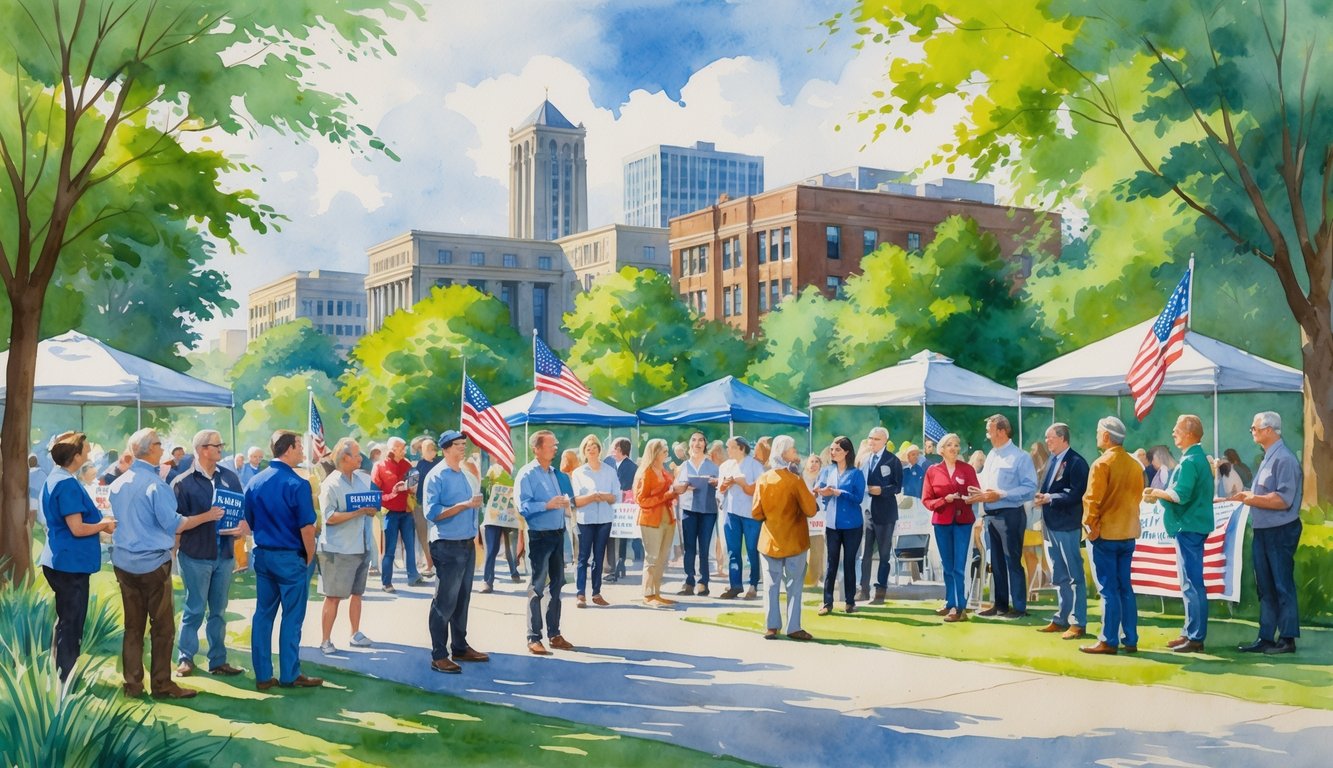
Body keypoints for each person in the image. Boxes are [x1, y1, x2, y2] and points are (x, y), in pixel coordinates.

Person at [110, 428, 222, 699]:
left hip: (124, 563)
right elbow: (175, 523)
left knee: (133, 627)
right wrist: (207, 516)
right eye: (160, 444)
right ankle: (161, 684)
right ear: (150, 449)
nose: (163, 448)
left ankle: (133, 685)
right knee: (162, 628)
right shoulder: (155, 485)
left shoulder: (118, 483)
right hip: (152, 564)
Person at [244, 429, 323, 689]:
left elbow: (251, 522)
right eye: (299, 446)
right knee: (292, 617)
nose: (302, 451)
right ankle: (290, 673)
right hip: (290, 557)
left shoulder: (255, 482)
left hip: (264, 555)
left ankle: (263, 675)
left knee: (263, 615)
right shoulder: (297, 483)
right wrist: (309, 557)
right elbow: (307, 528)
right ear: (288, 449)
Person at [39, 431, 116, 681]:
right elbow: (77, 528)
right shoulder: (67, 484)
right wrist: (103, 525)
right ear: (75, 455)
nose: (89, 453)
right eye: (85, 449)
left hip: (59, 559)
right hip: (69, 564)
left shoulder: (56, 478)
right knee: (71, 624)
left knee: (65, 621)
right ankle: (65, 679)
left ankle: (60, 673)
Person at [172, 430, 248, 678]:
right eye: (217, 445)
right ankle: (186, 658)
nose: (221, 449)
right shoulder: (182, 482)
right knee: (194, 609)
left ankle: (218, 660)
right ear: (203, 448)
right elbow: (175, 523)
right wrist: (206, 517)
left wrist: (241, 529)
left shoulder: (230, 477)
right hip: (194, 556)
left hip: (224, 555)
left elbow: (242, 513)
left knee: (218, 611)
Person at [1232, 411, 1303, 655]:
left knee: (1282, 585)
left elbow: (1283, 499)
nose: (1252, 430)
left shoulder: (1284, 459)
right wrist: (1249, 496)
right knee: (1265, 586)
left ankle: (1287, 638)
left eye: (1255, 427)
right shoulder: (1268, 458)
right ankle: (1266, 636)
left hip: (1280, 530)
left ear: (1269, 430)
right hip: (1265, 530)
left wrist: (1252, 498)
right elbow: (1265, 495)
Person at [1143, 415, 1213, 653]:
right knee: (1190, 583)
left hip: (1189, 527)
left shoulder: (1190, 461)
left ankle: (1195, 637)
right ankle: (1189, 632)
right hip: (1192, 526)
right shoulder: (1196, 458)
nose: (1173, 433)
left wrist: (1155, 492)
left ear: (1190, 433)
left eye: (1177, 430)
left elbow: (1179, 496)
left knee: (1192, 584)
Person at [422, 430, 491, 672]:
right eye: (458, 444)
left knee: (462, 599)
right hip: (447, 544)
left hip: (466, 543)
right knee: (444, 601)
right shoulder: (436, 476)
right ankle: (439, 654)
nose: (463, 447)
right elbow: (432, 513)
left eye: (463, 444)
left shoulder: (464, 473)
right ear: (446, 448)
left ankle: (460, 647)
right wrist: (464, 505)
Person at [1079, 417, 1144, 655]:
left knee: (1108, 590)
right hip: (1127, 534)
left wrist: (1090, 527)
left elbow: (1092, 502)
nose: (1097, 436)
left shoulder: (1101, 464)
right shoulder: (1135, 464)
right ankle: (1130, 637)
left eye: (1099, 433)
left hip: (1104, 534)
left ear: (1106, 436)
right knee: (1125, 588)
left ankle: (1108, 639)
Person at [514, 430, 577, 655]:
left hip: (558, 533)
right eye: (551, 444)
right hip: (539, 536)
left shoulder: (553, 473)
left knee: (557, 584)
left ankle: (554, 633)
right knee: (537, 586)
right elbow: (523, 507)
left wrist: (563, 505)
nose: (555, 447)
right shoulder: (526, 474)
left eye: (555, 443)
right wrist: (547, 505)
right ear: (537, 448)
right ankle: (533, 637)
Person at [752, 435, 819, 640]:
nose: (795, 453)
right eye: (793, 450)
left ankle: (771, 626)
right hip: (794, 540)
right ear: (784, 453)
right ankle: (793, 627)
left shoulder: (763, 479)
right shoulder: (795, 480)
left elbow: (756, 512)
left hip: (770, 540)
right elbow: (810, 509)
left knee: (771, 585)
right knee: (794, 586)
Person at [315, 437, 377, 655]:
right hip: (337, 549)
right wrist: (358, 512)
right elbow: (329, 517)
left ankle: (355, 633)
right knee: (332, 597)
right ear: (345, 458)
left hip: (361, 545)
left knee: (357, 594)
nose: (361, 458)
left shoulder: (363, 479)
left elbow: (374, 503)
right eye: (357, 455)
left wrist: (372, 509)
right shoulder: (330, 484)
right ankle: (325, 640)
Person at [973, 414, 1038, 619]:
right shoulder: (992, 454)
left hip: (1010, 515)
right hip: (990, 515)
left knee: (1012, 561)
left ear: (1001, 431)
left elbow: (1029, 488)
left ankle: (1019, 607)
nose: (987, 434)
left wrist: (1001, 494)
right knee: (996, 562)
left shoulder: (1020, 457)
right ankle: (999, 604)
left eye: (990, 430)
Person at [1032, 423, 1089, 640]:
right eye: (1046, 438)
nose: (1047, 442)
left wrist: (1050, 498)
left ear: (1063, 438)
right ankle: (1061, 617)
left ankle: (1078, 622)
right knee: (1059, 574)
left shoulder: (1076, 462)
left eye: (1050, 438)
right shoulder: (1052, 461)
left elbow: (1076, 494)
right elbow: (1048, 489)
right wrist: (1042, 497)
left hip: (1067, 525)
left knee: (1074, 574)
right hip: (1050, 524)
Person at [921, 433, 978, 622]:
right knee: (947, 565)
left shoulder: (967, 469)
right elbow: (926, 500)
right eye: (950, 445)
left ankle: (960, 607)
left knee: (959, 566)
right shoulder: (933, 471)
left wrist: (968, 498)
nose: (954, 448)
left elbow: (976, 494)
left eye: (957, 445)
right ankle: (950, 602)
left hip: (963, 522)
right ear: (941, 450)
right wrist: (943, 500)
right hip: (942, 521)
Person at [815, 436, 866, 615]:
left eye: (837, 449)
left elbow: (858, 498)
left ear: (846, 452)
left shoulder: (856, 474)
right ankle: (827, 602)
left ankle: (849, 601)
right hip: (832, 524)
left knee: (850, 562)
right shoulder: (827, 470)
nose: (833, 452)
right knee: (831, 563)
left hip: (852, 525)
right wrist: (822, 492)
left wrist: (838, 492)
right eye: (831, 449)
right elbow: (819, 489)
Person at [571, 435, 618, 608]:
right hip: (586, 519)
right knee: (583, 557)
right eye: (588, 447)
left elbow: (615, 496)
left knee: (599, 556)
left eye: (594, 447)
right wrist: (591, 497)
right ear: (584, 451)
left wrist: (604, 496)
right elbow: (575, 500)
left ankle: (596, 592)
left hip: (604, 519)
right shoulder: (578, 473)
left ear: (599, 449)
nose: (591, 450)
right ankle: (580, 593)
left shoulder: (609, 471)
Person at [859, 426, 903, 605]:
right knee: (866, 554)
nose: (872, 442)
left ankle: (880, 592)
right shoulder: (865, 459)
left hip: (886, 513)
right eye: (870, 438)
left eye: (876, 439)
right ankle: (863, 590)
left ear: (885, 441)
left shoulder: (893, 460)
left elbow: (898, 486)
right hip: (868, 512)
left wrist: (882, 490)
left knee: (884, 554)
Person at [633, 439, 679, 608]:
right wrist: (667, 495)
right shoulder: (645, 473)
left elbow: (669, 492)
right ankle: (647, 594)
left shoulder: (665, 471)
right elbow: (641, 500)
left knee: (661, 559)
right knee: (652, 558)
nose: (667, 453)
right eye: (664, 450)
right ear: (655, 453)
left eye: (667, 450)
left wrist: (677, 491)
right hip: (651, 519)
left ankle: (657, 593)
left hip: (668, 518)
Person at [718, 437, 765, 600]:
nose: (727, 450)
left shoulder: (755, 466)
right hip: (731, 513)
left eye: (730, 447)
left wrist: (741, 483)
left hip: (751, 514)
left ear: (741, 448)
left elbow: (759, 491)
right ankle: (735, 585)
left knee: (752, 549)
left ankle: (753, 585)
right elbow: (720, 490)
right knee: (733, 551)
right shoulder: (725, 466)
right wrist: (726, 484)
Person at [674, 431, 720, 596]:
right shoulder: (684, 466)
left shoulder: (713, 467)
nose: (697, 443)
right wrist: (684, 486)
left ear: (705, 444)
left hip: (708, 511)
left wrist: (716, 484)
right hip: (689, 509)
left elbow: (721, 489)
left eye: (701, 440)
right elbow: (676, 488)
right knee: (689, 547)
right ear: (690, 444)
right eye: (694, 440)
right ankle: (689, 580)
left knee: (704, 547)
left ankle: (703, 582)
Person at [373, 436, 421, 593]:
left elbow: (413, 487)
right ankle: (386, 582)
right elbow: (375, 494)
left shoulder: (407, 464)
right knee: (390, 549)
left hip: (407, 511)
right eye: (402, 448)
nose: (405, 450)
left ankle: (413, 576)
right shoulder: (379, 466)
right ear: (392, 449)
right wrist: (392, 494)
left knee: (410, 545)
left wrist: (412, 486)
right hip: (389, 513)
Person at [605, 437, 641, 583]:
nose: (612, 451)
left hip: (624, 507)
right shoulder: (608, 463)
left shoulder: (632, 467)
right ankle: (615, 566)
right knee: (611, 536)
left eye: (614, 448)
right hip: (610, 504)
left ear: (620, 450)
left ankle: (620, 563)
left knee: (622, 536)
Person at [480, 463, 521, 592]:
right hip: (494, 514)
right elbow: (484, 490)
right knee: (491, 549)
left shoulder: (515, 470)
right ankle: (488, 581)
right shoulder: (492, 469)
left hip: (510, 515)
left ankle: (514, 571)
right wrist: (488, 487)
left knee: (511, 547)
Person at [413, 435, 441, 579]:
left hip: (438, 505)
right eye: (425, 449)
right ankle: (429, 564)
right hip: (421, 504)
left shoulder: (441, 463)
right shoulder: (420, 465)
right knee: (424, 537)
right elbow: (415, 484)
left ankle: (438, 564)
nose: (428, 451)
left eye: (431, 449)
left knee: (436, 535)